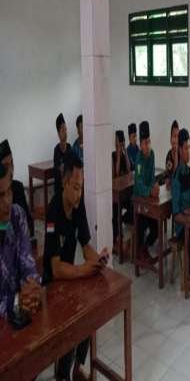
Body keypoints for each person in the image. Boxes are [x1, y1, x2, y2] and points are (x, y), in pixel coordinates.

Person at [43, 153, 109, 380]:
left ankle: (77, 367)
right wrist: (84, 269)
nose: (79, 193)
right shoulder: (53, 212)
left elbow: (86, 246)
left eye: (81, 188)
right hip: (52, 285)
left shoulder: (78, 205)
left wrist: (97, 260)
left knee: (89, 313)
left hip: (70, 277)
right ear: (65, 182)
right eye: (76, 187)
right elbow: (55, 269)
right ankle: (63, 375)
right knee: (70, 324)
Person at [0, 163, 42, 319]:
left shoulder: (17, 215)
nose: (7, 201)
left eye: (9, 191)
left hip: (23, 310)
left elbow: (27, 264)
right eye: (0, 195)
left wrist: (33, 288)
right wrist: (17, 302)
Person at [171, 128, 190, 281]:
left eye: (189, 147)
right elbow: (176, 214)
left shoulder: (188, 171)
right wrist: (189, 222)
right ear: (180, 150)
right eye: (186, 148)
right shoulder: (176, 176)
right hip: (182, 225)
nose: (188, 152)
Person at [133, 121, 159, 263]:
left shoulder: (152, 154)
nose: (147, 145)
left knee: (156, 229)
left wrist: (155, 186)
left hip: (149, 200)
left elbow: (152, 176)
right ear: (140, 144)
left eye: (149, 142)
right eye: (144, 143)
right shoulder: (138, 160)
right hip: (139, 200)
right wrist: (150, 191)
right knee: (141, 225)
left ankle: (144, 248)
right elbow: (138, 184)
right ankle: (139, 252)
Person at [0, 139, 34, 237]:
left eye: (12, 163)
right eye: (6, 165)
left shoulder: (18, 187)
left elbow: (28, 221)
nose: (11, 169)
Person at [112, 130, 132, 251]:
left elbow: (129, 170)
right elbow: (116, 173)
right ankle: (116, 238)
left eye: (122, 143)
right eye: (119, 143)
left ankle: (127, 224)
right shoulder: (113, 156)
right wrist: (119, 154)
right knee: (115, 209)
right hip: (116, 193)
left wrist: (125, 152)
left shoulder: (125, 154)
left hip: (125, 191)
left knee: (133, 204)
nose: (120, 145)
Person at [53, 113, 72, 196]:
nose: (65, 133)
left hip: (69, 185)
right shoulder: (56, 150)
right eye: (63, 130)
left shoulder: (69, 147)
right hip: (60, 188)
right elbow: (58, 171)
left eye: (66, 129)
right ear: (58, 133)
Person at [164, 120, 179, 187]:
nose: (176, 139)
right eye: (174, 136)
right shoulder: (169, 156)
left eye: (178, 136)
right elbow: (167, 182)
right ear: (170, 139)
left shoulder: (181, 154)